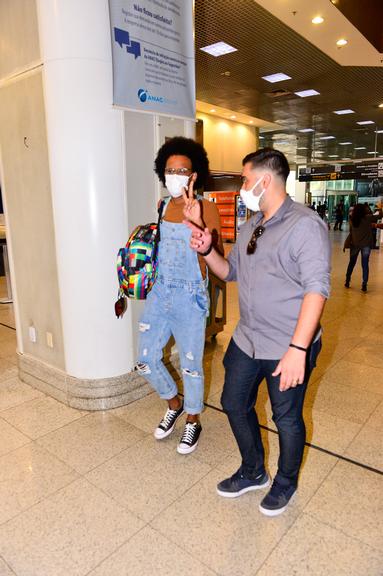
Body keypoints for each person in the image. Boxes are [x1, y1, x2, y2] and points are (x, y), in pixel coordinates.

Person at [185, 148, 331, 516]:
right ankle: (253, 471)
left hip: (287, 347)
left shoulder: (304, 225)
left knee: (286, 419)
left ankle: (285, 482)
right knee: (234, 403)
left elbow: (317, 288)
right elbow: (229, 271)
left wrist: (299, 349)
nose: (243, 187)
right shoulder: (252, 224)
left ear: (266, 181)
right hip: (247, 339)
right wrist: (206, 249)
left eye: (247, 180)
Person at [135, 136, 222, 454]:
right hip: (160, 292)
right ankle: (174, 403)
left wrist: (199, 225)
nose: (175, 175)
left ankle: (193, 421)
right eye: (169, 170)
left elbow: (217, 257)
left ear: (194, 175)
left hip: (190, 296)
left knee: (191, 365)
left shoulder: (207, 208)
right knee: (145, 361)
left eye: (182, 170)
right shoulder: (161, 207)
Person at [344, 203, 383, 292]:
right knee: (365, 264)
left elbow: (351, 231)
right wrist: (380, 207)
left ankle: (347, 281)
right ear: (363, 210)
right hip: (366, 245)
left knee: (351, 263)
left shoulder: (352, 219)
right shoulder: (368, 218)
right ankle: (364, 284)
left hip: (354, 244)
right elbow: (380, 216)